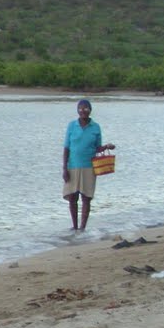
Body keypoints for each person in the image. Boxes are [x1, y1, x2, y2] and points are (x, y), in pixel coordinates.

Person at [62, 98, 114, 231]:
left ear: (90, 110)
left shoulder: (95, 127)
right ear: (77, 110)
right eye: (80, 108)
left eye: (86, 108)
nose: (83, 110)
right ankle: (74, 227)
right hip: (72, 166)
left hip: (89, 167)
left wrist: (106, 146)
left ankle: (82, 228)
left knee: (86, 198)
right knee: (72, 198)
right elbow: (66, 148)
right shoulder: (71, 126)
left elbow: (96, 148)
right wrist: (64, 168)